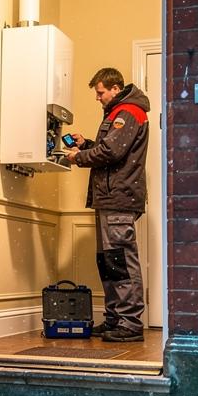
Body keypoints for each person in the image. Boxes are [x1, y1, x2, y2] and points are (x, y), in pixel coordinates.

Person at [63, 67, 150, 343]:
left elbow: (113, 152)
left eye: (100, 92)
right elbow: (110, 147)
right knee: (110, 261)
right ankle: (115, 319)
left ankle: (130, 323)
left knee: (121, 261)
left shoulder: (128, 112)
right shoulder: (117, 113)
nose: (97, 98)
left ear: (115, 88)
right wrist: (86, 143)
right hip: (110, 198)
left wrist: (79, 157)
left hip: (119, 198)